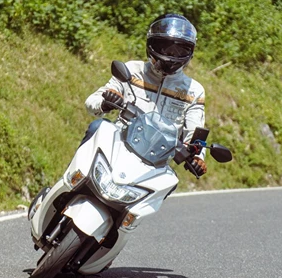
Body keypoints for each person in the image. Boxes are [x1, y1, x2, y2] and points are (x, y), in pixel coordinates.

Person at [82, 14, 207, 176]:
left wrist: (197, 157)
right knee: (97, 127)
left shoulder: (193, 91)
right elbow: (91, 102)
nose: (171, 54)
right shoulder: (132, 71)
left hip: (156, 163)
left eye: (179, 50)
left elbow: (194, 133)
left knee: (171, 181)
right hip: (118, 144)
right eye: (164, 46)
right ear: (152, 44)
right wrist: (105, 102)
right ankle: (71, 182)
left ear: (190, 51)